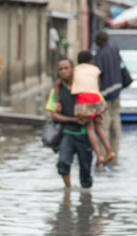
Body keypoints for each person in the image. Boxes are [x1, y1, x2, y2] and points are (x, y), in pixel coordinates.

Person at [55, 50, 115, 165]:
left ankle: (99, 155)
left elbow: (59, 83)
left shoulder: (76, 70)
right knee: (98, 127)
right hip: (96, 98)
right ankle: (109, 151)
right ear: (91, 61)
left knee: (90, 128)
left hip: (84, 98)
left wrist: (58, 101)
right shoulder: (95, 69)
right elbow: (96, 84)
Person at [46, 58, 93, 189]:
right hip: (67, 132)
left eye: (66, 68)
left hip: (84, 133)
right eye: (60, 69)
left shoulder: (84, 88)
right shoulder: (57, 91)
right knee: (63, 163)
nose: (63, 71)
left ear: (73, 69)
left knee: (85, 168)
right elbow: (53, 114)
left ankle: (85, 194)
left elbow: (98, 103)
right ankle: (68, 189)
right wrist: (71, 120)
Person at [93, 30, 123, 164]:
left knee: (104, 124)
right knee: (115, 119)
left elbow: (98, 73)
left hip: (105, 94)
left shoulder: (100, 54)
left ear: (99, 40)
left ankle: (105, 154)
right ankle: (115, 150)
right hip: (117, 90)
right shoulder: (115, 49)